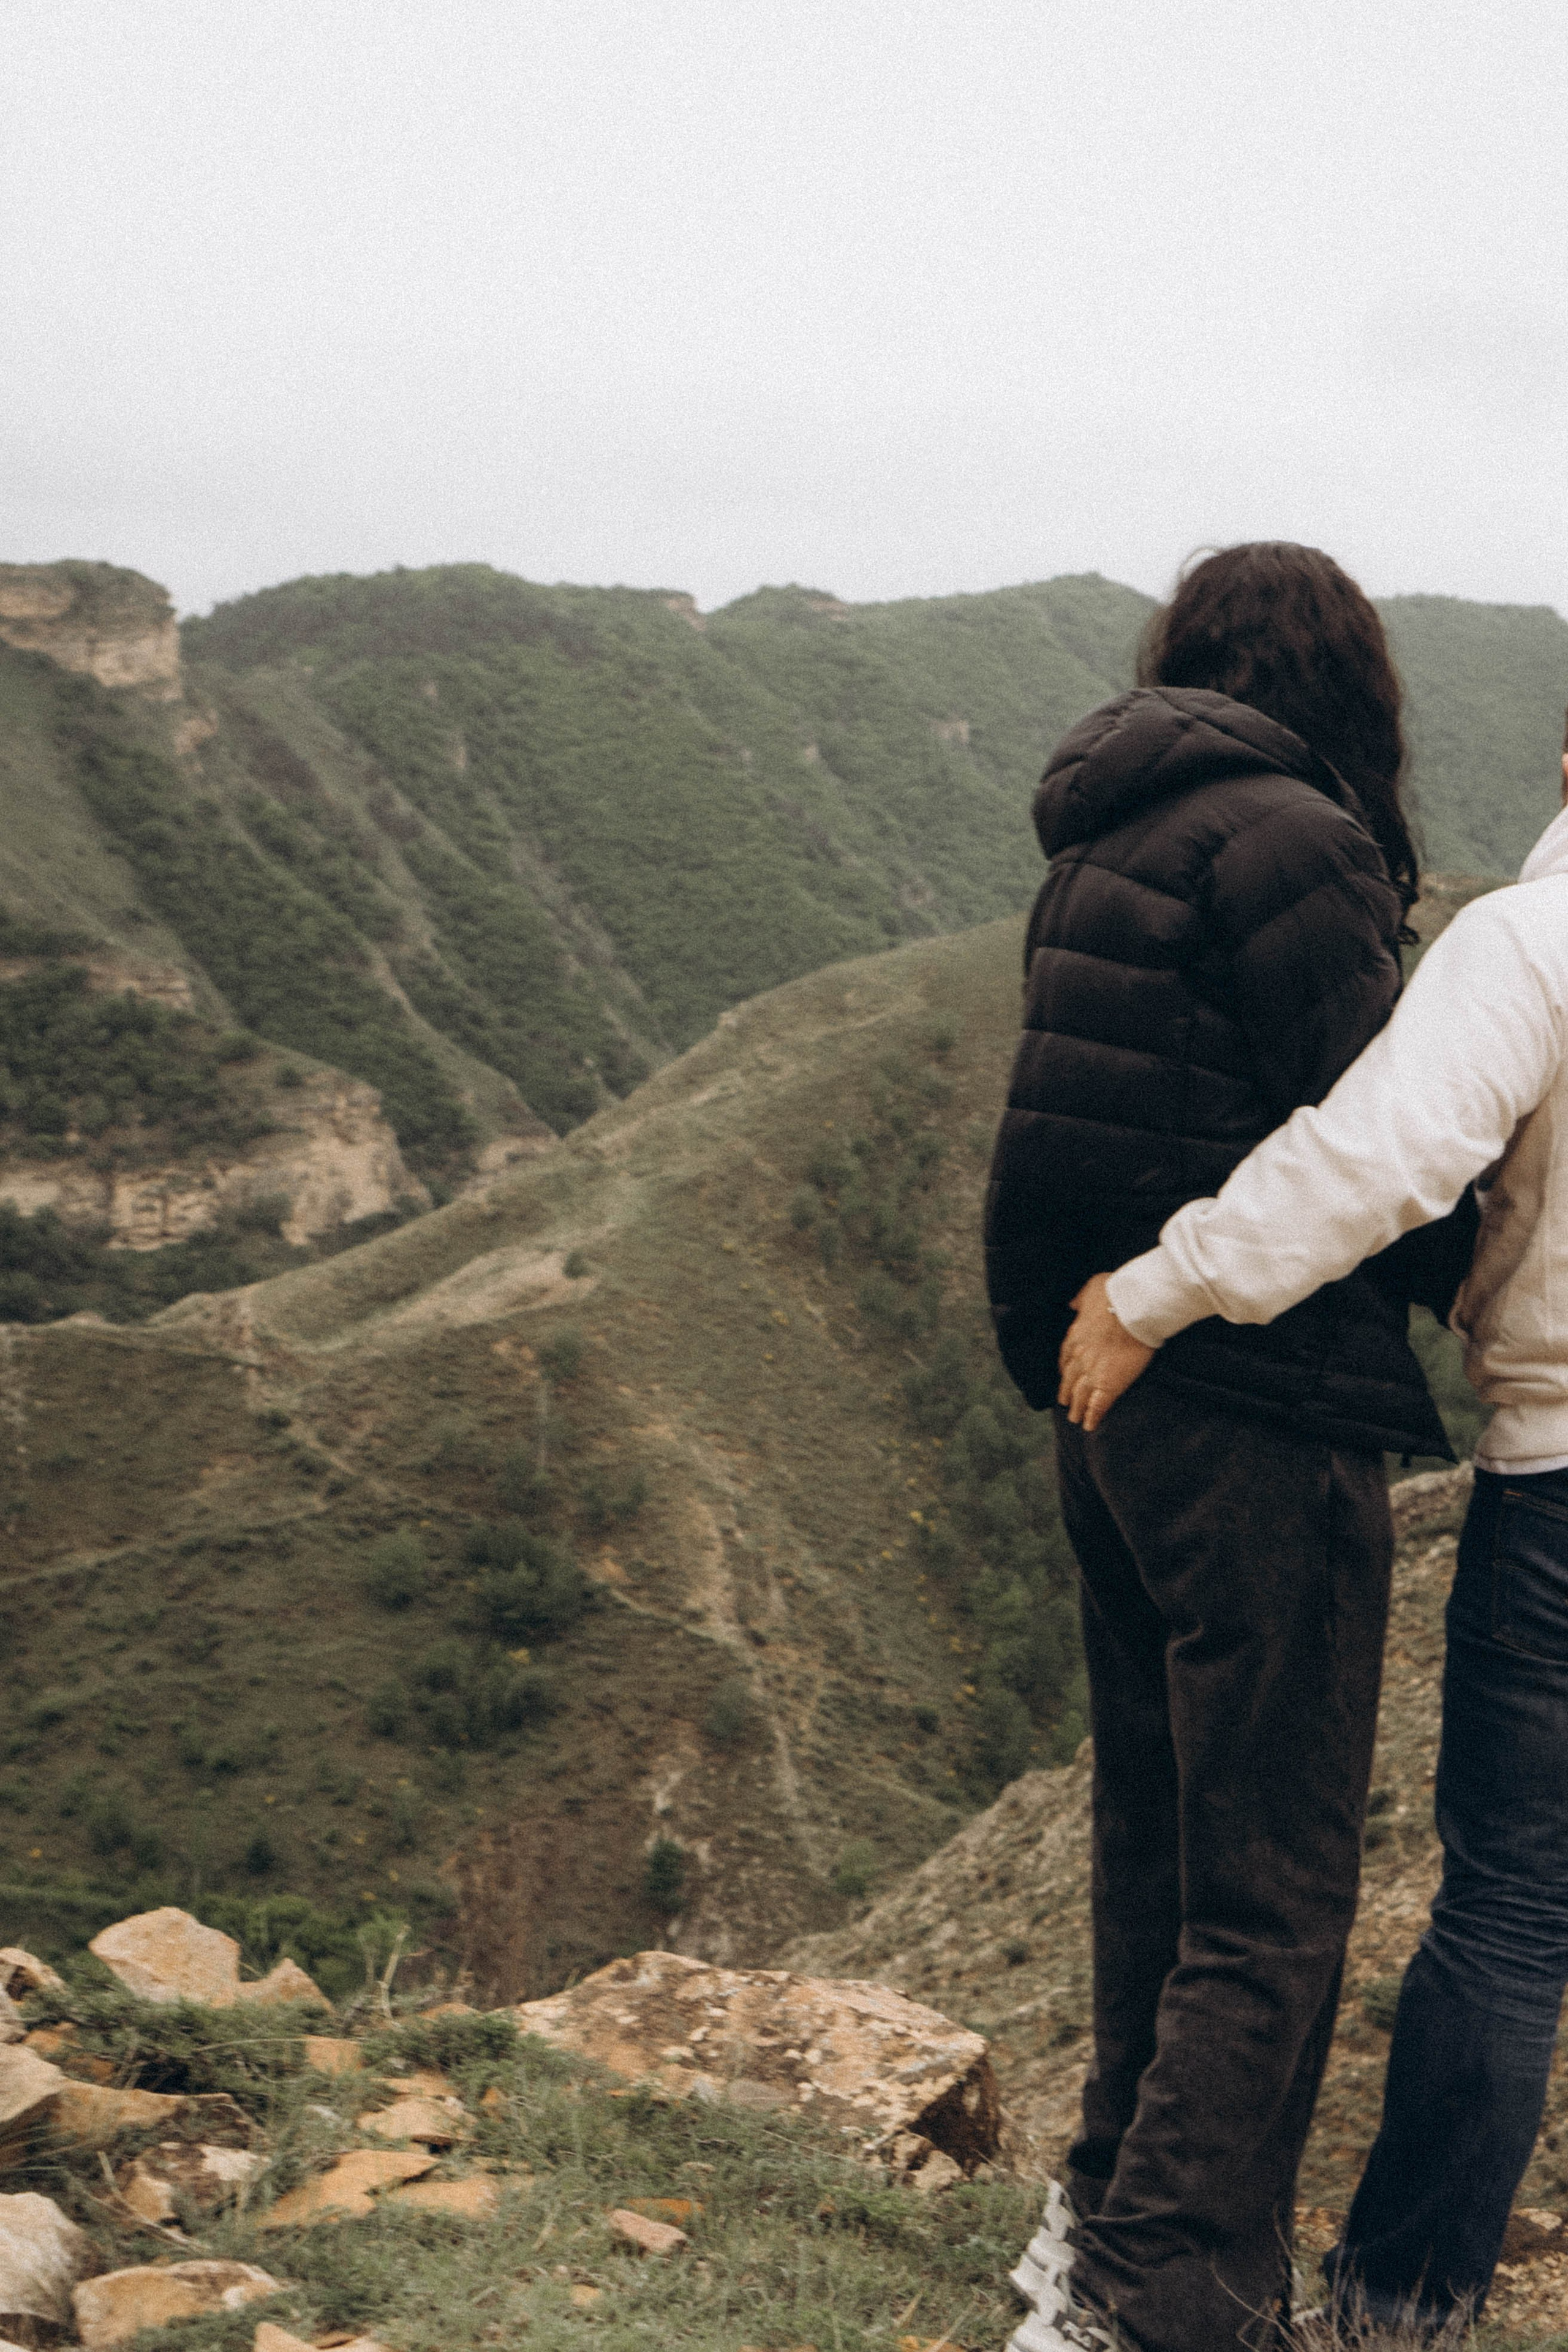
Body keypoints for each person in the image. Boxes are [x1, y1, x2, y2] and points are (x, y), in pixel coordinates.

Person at [984, 543, 1475, 2352]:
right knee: (1274, 1886)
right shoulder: (1295, 841)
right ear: (1352, 685)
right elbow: (1381, 1142)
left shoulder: (1109, 836)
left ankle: (1096, 2218)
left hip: (1104, 1393)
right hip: (1256, 1402)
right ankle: (1162, 2297)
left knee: (1163, 1844)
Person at [1058, 716, 1568, 2330]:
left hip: (1563, 1476)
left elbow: (1389, 1152)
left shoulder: (1533, 942)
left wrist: (1164, 1285)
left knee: (1512, 1897)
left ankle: (1402, 2301)